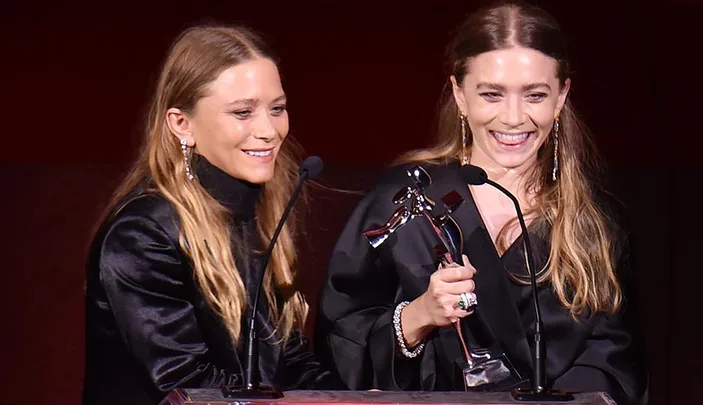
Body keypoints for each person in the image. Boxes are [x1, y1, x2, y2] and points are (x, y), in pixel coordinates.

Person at [313, 2, 649, 404]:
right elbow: (340, 340)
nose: (512, 117)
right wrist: (417, 317)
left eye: (535, 95)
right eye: (491, 94)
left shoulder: (594, 221)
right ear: (459, 93)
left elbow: (617, 360)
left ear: (562, 96)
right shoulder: (403, 202)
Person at [83, 24, 340, 405]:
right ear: (181, 124)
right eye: (243, 112)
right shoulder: (142, 234)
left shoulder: (255, 212)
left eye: (277, 109)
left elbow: (287, 360)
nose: (269, 130)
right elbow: (187, 384)